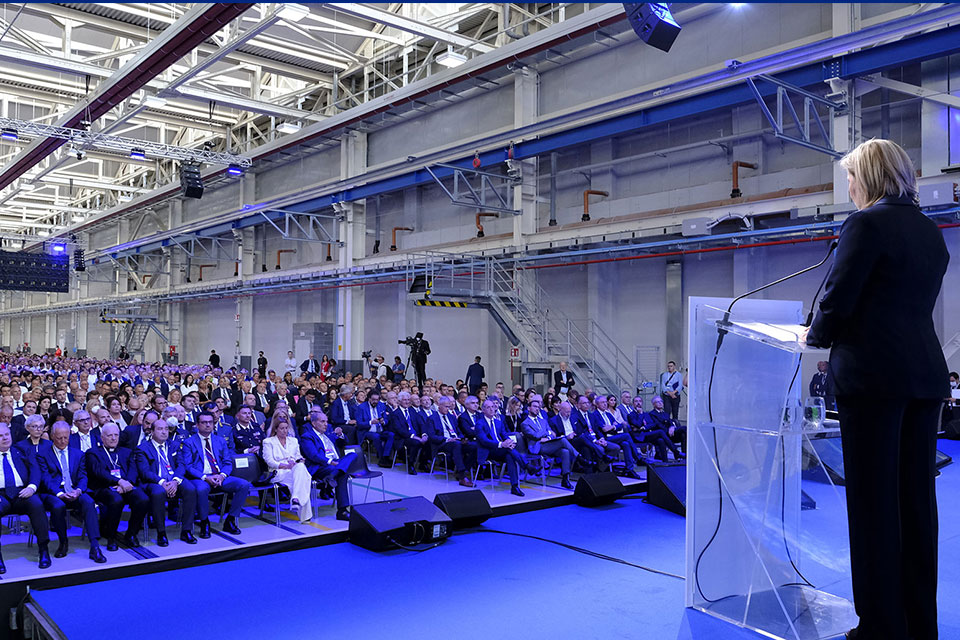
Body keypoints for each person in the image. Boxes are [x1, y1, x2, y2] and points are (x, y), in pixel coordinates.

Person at [802, 139, 949, 640]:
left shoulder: (865, 223)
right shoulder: (931, 231)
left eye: (850, 177)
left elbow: (840, 297)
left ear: (868, 175)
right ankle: (916, 624)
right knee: (915, 504)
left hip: (873, 380)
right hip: (924, 376)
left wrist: (814, 335)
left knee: (872, 505)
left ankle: (880, 627)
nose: (848, 187)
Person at [40, 422, 106, 563]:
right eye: (59, 438)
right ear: (52, 437)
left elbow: (83, 476)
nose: (63, 441)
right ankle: (63, 542)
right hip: (54, 493)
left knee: (89, 502)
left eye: (66, 437)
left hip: (74, 490)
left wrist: (78, 490)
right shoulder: (43, 455)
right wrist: (59, 493)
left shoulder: (78, 454)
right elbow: (46, 479)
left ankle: (95, 546)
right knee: (58, 506)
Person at [85, 423, 149, 550]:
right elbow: (99, 473)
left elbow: (133, 470)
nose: (113, 438)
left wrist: (127, 483)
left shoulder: (126, 451)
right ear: (102, 438)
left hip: (126, 485)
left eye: (116, 435)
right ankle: (111, 537)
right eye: (109, 435)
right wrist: (119, 482)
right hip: (103, 487)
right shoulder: (93, 453)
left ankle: (131, 534)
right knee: (116, 500)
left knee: (143, 499)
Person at [136, 420, 198, 546]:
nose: (164, 432)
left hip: (174, 479)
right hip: (154, 481)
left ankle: (186, 530)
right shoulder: (142, 448)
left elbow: (181, 465)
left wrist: (175, 481)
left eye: (166, 428)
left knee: (190, 489)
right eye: (160, 429)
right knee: (158, 492)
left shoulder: (174, 445)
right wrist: (162, 482)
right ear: (152, 431)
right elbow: (144, 472)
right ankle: (161, 532)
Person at [0, 424, 53, 572]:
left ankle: (43, 549)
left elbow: (35, 470)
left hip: (22, 492)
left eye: (6, 435)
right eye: (0, 436)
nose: (5, 438)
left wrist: (32, 487)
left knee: (36, 504)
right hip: (1, 496)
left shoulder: (21, 451)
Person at [299, 410, 356, 521]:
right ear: (314, 423)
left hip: (335, 463)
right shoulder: (307, 436)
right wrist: (330, 461)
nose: (326, 424)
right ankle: (342, 510)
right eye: (322, 421)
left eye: (327, 421)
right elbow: (313, 455)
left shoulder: (329, 433)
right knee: (342, 474)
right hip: (320, 466)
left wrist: (340, 435)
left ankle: (333, 475)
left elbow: (343, 443)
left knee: (352, 454)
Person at [262, 414, 313, 523]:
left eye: (286, 428)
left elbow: (298, 456)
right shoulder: (268, 442)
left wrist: (299, 460)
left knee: (300, 468)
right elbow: (269, 461)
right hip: (279, 472)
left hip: (294, 469)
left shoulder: (293, 440)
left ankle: (295, 499)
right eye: (282, 428)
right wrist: (285, 465)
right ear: (276, 429)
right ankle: (304, 515)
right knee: (303, 478)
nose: (285, 431)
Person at [521, 394, 577, 489]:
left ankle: (565, 478)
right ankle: (578, 456)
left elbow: (553, 434)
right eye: (534, 406)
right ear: (529, 408)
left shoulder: (543, 421)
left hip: (547, 444)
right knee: (563, 440)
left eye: (538, 407)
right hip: (537, 447)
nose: (537, 408)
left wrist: (548, 437)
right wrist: (546, 432)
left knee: (565, 451)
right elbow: (535, 436)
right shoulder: (525, 423)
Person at [476, 399, 525, 496]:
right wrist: (501, 444)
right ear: (483, 410)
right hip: (488, 450)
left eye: (493, 407)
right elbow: (484, 441)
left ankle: (514, 486)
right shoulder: (479, 423)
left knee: (509, 456)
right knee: (508, 450)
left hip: (501, 450)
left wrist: (509, 442)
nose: (491, 409)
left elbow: (504, 435)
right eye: (488, 407)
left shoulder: (498, 422)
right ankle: (526, 465)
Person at [427, 396, 474, 487]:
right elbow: (432, 436)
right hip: (442, 443)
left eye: (449, 406)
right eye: (446, 406)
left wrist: (461, 438)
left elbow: (458, 431)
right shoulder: (432, 418)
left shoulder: (452, 417)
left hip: (456, 440)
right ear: (439, 406)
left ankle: (463, 469)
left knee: (474, 447)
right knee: (456, 445)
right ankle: (462, 476)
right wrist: (447, 439)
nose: (448, 409)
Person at [385, 391, 429, 474]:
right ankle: (411, 465)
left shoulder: (413, 411)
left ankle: (423, 463)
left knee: (429, 441)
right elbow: (399, 430)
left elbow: (421, 424)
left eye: (408, 400)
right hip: (402, 438)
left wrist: (424, 434)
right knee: (415, 442)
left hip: (416, 436)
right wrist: (413, 436)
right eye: (405, 400)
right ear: (399, 401)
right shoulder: (395, 414)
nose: (407, 402)